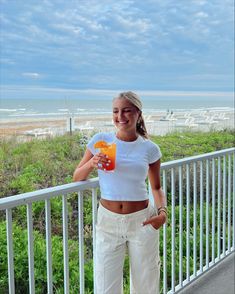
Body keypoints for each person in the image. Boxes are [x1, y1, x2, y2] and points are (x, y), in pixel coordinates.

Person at [73, 91, 167, 294]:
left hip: (142, 220)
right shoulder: (101, 140)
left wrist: (163, 213)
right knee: (105, 286)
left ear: (138, 114)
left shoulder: (150, 148)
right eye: (116, 111)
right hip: (108, 222)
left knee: (146, 284)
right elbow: (77, 176)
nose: (120, 116)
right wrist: (92, 163)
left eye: (126, 111)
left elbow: (156, 187)